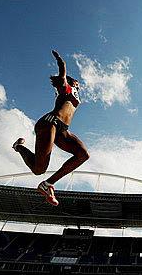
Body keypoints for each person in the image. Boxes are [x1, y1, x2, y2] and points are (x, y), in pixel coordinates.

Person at [13, 50, 89, 206]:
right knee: (38, 169)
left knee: (83, 155)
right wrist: (61, 62)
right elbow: (62, 76)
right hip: (50, 123)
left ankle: (47, 185)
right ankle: (19, 146)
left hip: (62, 129)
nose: (79, 84)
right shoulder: (65, 87)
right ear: (71, 81)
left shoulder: (74, 93)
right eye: (77, 82)